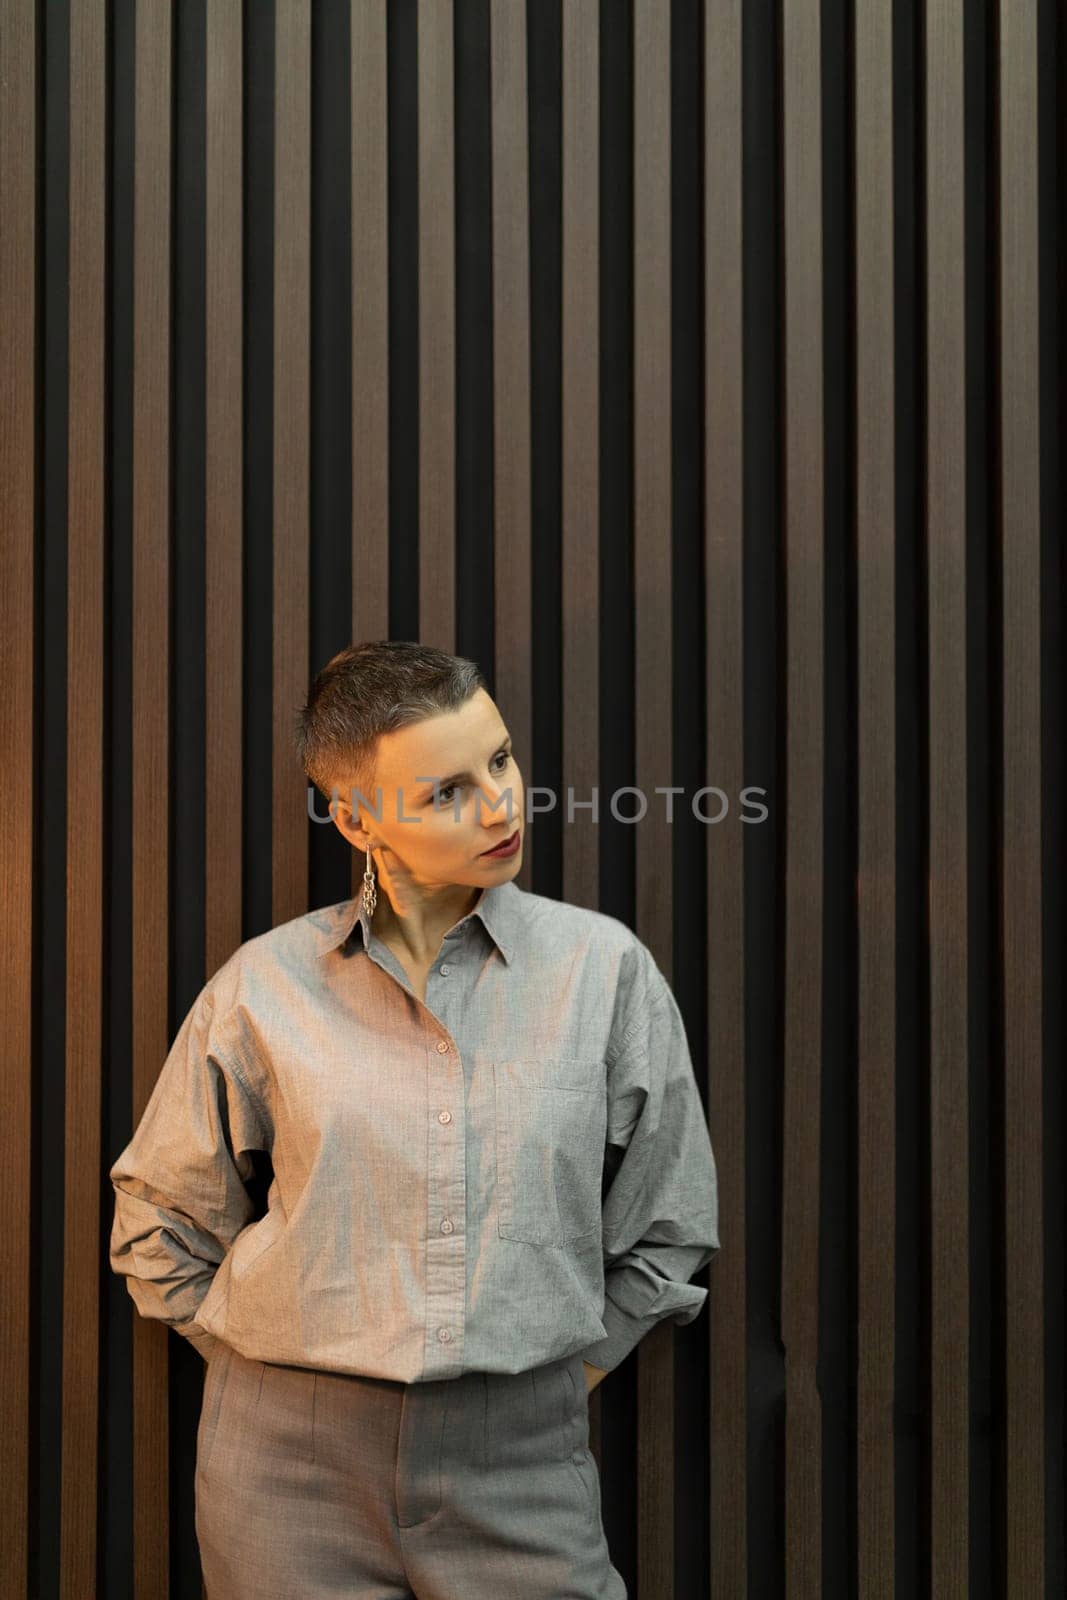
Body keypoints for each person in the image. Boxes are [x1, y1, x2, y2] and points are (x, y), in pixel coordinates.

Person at [109, 639, 720, 1599]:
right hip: (283, 1476)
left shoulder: (603, 972)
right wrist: (273, 1372)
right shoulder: (264, 986)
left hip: (523, 1462)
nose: (501, 803)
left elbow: (668, 1224)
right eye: (445, 792)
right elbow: (159, 1221)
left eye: (501, 760)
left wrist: (556, 1378)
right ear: (356, 820)